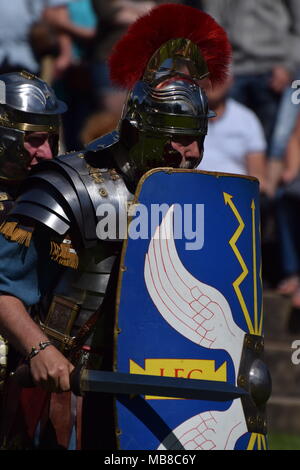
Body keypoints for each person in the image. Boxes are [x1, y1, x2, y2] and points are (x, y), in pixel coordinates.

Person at [0, 4, 231, 449]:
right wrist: (39, 349)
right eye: (179, 136)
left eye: (200, 136)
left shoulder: (194, 198)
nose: (194, 152)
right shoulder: (72, 186)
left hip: (157, 385)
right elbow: (4, 286)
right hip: (65, 391)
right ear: (142, 129)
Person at [198, 75, 267, 188]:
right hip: (194, 192)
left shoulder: (246, 119)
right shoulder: (183, 115)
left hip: (236, 195)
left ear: (231, 80)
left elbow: (258, 176)